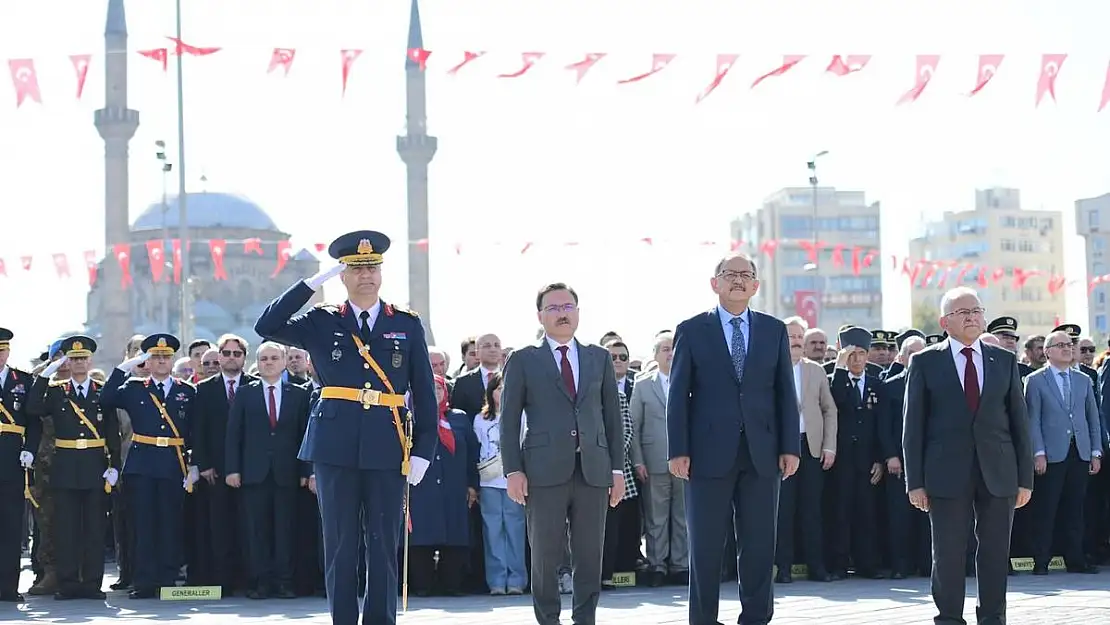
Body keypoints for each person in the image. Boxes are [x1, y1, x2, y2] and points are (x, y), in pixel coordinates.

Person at [254, 230, 436, 625]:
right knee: (339, 544)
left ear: (381, 272)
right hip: (334, 444)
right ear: (343, 275)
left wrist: (424, 448)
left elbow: (424, 390)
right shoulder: (321, 320)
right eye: (356, 268)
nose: (366, 274)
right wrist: (311, 283)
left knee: (383, 543)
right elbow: (267, 324)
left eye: (372, 267)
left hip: (388, 442)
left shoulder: (405, 323)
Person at [667, 252, 800, 625]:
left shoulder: (774, 330)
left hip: (763, 453)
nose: (738, 280)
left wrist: (790, 446)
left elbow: (784, 394)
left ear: (756, 285)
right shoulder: (692, 330)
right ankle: (704, 619)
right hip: (707, 454)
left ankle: (756, 617)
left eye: (746, 275)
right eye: (730, 274)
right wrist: (678, 449)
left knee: (759, 545)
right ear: (715, 283)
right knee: (706, 547)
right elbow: (678, 394)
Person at [903, 286, 1033, 625]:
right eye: (963, 312)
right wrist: (915, 482)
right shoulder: (925, 362)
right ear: (946, 321)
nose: (972, 316)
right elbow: (913, 427)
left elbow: (1019, 424)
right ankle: (948, 618)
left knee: (993, 554)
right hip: (946, 473)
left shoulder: (1003, 360)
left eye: (976, 310)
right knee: (947, 554)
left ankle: (992, 617)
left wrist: (1024, 479)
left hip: (999, 471)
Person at [499, 282, 624, 625]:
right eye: (553, 308)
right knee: (544, 553)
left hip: (593, 469)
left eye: (568, 306)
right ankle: (548, 618)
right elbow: (508, 421)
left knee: (589, 555)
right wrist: (513, 470)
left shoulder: (598, 357)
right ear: (540, 316)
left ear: (578, 312)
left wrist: (617, 471)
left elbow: (612, 418)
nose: (562, 313)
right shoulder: (524, 359)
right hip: (542, 471)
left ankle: (585, 618)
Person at [99, 333, 199, 599]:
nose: (162, 362)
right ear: (147, 361)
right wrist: (127, 366)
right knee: (142, 524)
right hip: (142, 463)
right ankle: (144, 581)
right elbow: (106, 398)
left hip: (173, 462)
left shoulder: (186, 391)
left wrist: (195, 464)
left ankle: (167, 578)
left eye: (166, 357)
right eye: (155, 357)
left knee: (170, 523)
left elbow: (197, 430)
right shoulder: (134, 388)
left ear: (173, 359)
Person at [27, 336, 120, 600]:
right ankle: (67, 583)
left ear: (91, 360)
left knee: (93, 528)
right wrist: (46, 373)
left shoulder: (102, 391)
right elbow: (33, 408)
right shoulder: (57, 391)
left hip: (94, 466)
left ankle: (91, 583)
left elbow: (111, 431)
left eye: (83, 358)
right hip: (65, 466)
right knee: (65, 528)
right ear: (67, 360)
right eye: (74, 359)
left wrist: (114, 464)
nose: (79, 363)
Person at [225, 341, 312, 599]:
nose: (269, 363)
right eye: (264, 359)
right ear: (258, 363)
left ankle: (284, 581)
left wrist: (306, 471)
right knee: (256, 530)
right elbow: (234, 434)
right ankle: (260, 581)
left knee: (285, 530)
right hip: (253, 473)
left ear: (284, 361)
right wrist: (232, 469)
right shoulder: (245, 393)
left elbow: (305, 435)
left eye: (274, 358)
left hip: (287, 473)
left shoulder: (298, 393)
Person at [1024, 329, 1102, 574]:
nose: (1067, 349)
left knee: (1075, 509)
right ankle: (1041, 560)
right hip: (1051, 454)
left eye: (1070, 345)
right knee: (1046, 509)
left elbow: (1092, 418)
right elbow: (1032, 419)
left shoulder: (1083, 380)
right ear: (1047, 352)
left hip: (1079, 452)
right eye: (1061, 345)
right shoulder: (1035, 380)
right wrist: (1038, 452)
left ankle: (1075, 559)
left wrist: (1096, 451)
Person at [406, 375, 478, 596]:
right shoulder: (409, 417)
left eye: (439, 388)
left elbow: (472, 453)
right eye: (429, 388)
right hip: (420, 487)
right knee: (421, 537)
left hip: (453, 487)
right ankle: (423, 585)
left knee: (454, 535)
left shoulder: (458, 419)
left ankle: (452, 584)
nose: (434, 392)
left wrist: (472, 485)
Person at [0, 328, 39, 603]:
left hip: (12, 461)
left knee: (11, 526)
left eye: (2, 350)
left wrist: (29, 450)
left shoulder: (22, 381)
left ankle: (7, 587)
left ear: (8, 351)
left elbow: (34, 420)